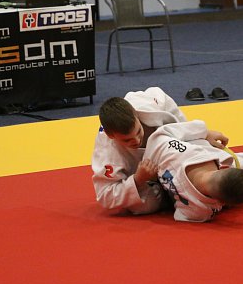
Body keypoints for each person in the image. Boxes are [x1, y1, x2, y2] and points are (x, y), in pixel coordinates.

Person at [92, 88, 229, 215]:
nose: (137, 140)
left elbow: (163, 100)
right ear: (111, 136)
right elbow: (105, 195)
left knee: (210, 152)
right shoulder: (107, 152)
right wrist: (138, 179)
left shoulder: (147, 102)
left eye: (138, 131)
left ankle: (216, 181)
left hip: (173, 153)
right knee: (142, 206)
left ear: (136, 115)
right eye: (127, 140)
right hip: (148, 183)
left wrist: (202, 133)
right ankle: (173, 195)